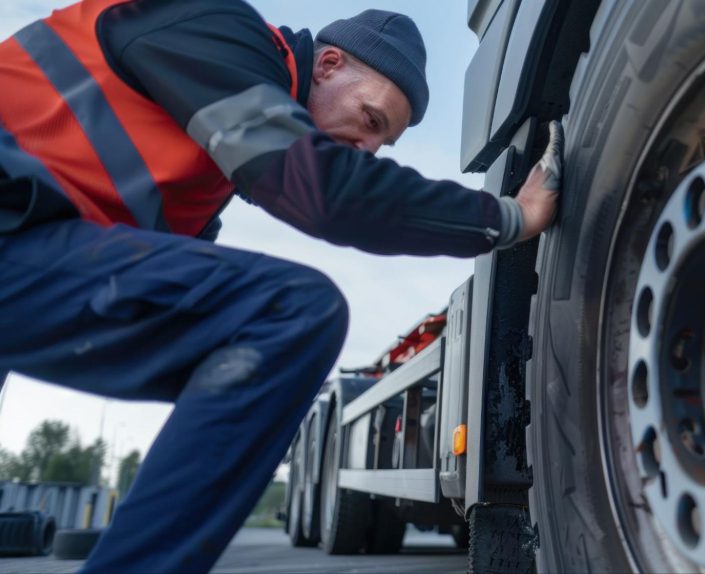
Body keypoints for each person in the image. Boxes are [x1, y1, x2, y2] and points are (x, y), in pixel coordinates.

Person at [0, 1, 562, 572]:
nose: (367, 149)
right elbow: (325, 190)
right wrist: (508, 217)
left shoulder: (196, 178)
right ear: (328, 65)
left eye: (381, 143)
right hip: (14, 221)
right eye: (370, 120)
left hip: (26, 246)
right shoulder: (212, 26)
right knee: (292, 315)